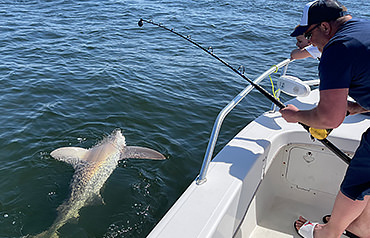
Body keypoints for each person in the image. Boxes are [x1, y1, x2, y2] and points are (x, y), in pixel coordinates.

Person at [279, 0, 370, 237]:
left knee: (359, 180)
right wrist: (359, 107)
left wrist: (295, 115)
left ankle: (328, 233)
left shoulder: (338, 48)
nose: (309, 43)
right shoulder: (364, 29)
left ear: (325, 27)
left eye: (308, 35)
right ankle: (362, 226)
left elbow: (329, 119)